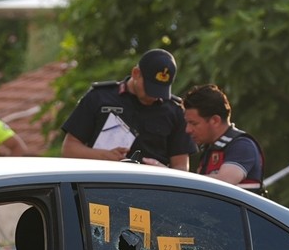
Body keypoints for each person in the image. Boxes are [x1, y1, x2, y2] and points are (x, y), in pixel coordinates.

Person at [60, 48, 194, 170]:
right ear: (136, 73)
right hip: (100, 185)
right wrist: (105, 156)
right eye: (149, 88)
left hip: (152, 190)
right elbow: (69, 149)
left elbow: (181, 166)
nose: (153, 96)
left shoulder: (174, 110)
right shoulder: (99, 98)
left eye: (160, 91)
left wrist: (162, 170)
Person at [181, 84, 265, 192]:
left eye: (193, 123)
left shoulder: (242, 145)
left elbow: (224, 182)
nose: (187, 129)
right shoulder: (212, 148)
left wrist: (175, 179)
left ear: (215, 120)